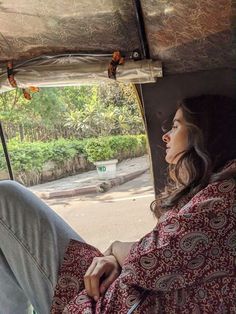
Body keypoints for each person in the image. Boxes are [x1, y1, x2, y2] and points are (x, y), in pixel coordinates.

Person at [0, 94, 235, 314]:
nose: (165, 136)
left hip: (102, 304)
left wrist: (115, 249)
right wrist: (116, 257)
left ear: (204, 133)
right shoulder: (210, 191)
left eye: (175, 126)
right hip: (110, 290)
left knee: (5, 197)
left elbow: (152, 261)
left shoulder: (225, 197)